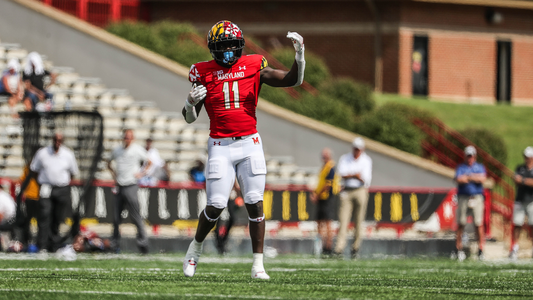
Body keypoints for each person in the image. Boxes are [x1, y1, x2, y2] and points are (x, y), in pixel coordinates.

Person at [181, 20, 305, 279]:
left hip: (249, 143)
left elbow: (292, 80)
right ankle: (195, 249)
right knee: (215, 206)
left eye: (231, 45)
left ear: (240, 46)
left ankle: (258, 265)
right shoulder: (202, 71)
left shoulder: (253, 64)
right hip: (219, 145)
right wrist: (190, 102)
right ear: (213, 48)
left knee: (254, 204)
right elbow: (189, 117)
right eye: (222, 46)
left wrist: (299, 55)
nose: (227, 51)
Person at [30, 132, 79, 253]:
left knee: (58, 216)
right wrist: (41, 183)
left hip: (61, 188)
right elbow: (34, 170)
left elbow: (72, 172)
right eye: (55, 139)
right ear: (52, 140)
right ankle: (42, 245)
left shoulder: (68, 154)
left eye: (60, 140)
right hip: (46, 187)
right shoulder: (42, 153)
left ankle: (54, 244)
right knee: (44, 214)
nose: (57, 142)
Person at [107, 129, 151, 254]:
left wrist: (141, 173)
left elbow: (149, 162)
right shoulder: (117, 150)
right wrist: (114, 175)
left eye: (129, 137)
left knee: (136, 217)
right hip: (120, 185)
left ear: (133, 138)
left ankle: (143, 245)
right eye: (126, 137)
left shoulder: (137, 150)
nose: (127, 139)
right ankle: (114, 243)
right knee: (116, 218)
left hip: (131, 185)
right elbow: (108, 163)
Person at [333, 137, 372, 259]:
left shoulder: (366, 160)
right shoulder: (345, 158)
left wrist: (351, 175)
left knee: (359, 221)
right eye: (355, 149)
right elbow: (341, 175)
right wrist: (355, 175)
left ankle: (355, 248)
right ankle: (339, 248)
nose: (357, 151)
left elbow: (364, 178)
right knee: (343, 220)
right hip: (347, 191)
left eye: (359, 149)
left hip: (360, 190)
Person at [452, 145, 487, 262]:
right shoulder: (461, 167)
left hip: (476, 197)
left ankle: (481, 249)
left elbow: (482, 179)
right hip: (463, 197)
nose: (469, 158)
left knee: (478, 223)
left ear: (475, 156)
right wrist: (473, 177)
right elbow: (458, 179)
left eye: (471, 156)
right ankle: (458, 249)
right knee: (461, 223)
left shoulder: (479, 167)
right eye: (468, 156)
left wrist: (469, 177)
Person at [310, 148, 338, 257]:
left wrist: (317, 194)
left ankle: (328, 247)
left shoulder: (331, 167)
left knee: (327, 223)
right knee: (320, 223)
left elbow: (327, 185)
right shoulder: (324, 168)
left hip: (327, 198)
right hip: (322, 198)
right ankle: (320, 246)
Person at [509, 146, 533, 260]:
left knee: (532, 225)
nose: (526, 159)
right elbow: (515, 180)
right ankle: (515, 247)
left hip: (531, 201)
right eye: (525, 156)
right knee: (517, 224)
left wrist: (523, 180)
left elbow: (522, 181)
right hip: (520, 200)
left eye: (528, 157)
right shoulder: (520, 168)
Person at [214, 180, 243, 255]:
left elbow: (235, 184)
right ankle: (219, 243)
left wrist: (238, 196)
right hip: (220, 197)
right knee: (220, 220)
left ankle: (223, 241)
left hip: (230, 198)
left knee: (232, 219)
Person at [19, 163, 41, 251]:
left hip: (39, 196)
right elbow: (23, 180)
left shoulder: (38, 166)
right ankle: (27, 240)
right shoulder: (29, 166)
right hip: (30, 197)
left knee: (40, 221)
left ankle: (38, 241)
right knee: (28, 220)